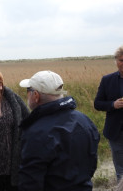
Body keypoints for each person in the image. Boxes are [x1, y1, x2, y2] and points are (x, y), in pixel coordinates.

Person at [19, 70, 100, 191]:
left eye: (28, 91)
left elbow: (30, 181)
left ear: (35, 96)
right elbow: (91, 163)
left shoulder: (37, 132)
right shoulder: (84, 120)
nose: (27, 95)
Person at [94, 45, 123, 182]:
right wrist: (113, 104)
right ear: (116, 61)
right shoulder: (107, 80)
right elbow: (97, 103)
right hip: (116, 132)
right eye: (121, 60)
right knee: (120, 169)